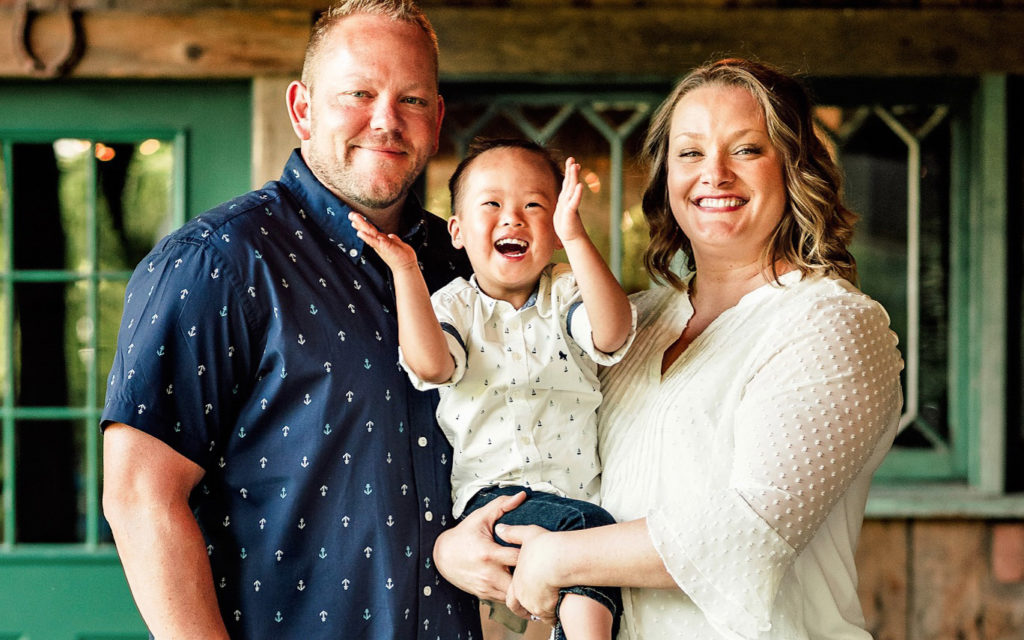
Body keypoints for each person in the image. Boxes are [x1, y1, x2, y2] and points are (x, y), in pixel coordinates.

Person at [434, 58, 905, 639]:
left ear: (795, 168)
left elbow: (747, 534)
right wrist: (455, 548)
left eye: (748, 150)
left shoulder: (831, 326)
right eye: (689, 153)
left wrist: (557, 558)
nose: (715, 174)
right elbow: (547, 455)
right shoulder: (638, 321)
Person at [99, 1, 484, 638]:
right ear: (302, 108)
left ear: (437, 120)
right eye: (358, 94)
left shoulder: (465, 264)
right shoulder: (216, 263)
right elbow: (141, 498)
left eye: (412, 100)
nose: (386, 121)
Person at [350, 137, 635, 640]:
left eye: (534, 205)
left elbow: (611, 333)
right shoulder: (456, 306)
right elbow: (432, 365)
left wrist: (577, 237)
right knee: (589, 544)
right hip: (497, 501)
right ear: (457, 232)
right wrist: (405, 270)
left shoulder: (566, 293)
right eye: (492, 204)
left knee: (583, 557)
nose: (513, 218)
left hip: (574, 498)